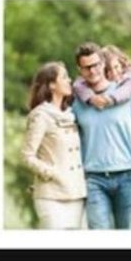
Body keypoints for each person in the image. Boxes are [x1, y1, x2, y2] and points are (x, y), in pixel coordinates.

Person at [73, 42, 131, 230]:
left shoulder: (126, 93)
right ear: (80, 70)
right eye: (87, 67)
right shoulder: (77, 100)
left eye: (96, 65)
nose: (92, 71)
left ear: (103, 64)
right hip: (93, 179)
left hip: (127, 178)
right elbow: (64, 137)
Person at [20, 63, 86, 230]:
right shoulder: (41, 116)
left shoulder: (70, 115)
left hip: (75, 194)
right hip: (50, 195)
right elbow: (27, 155)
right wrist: (52, 173)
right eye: (64, 77)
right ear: (51, 85)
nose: (69, 80)